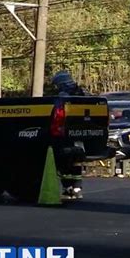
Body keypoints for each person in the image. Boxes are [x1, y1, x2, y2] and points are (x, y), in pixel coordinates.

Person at [51, 70, 87, 200]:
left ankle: (68, 189)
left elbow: (58, 113)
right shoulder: (82, 93)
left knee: (64, 162)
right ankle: (77, 188)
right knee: (76, 162)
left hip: (65, 134)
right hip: (82, 133)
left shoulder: (64, 96)